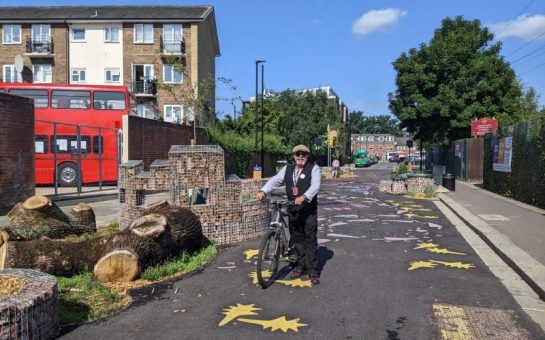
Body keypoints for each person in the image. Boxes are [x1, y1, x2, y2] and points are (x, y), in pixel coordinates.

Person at [257, 144, 321, 284]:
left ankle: (312, 270)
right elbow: (275, 180)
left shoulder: (313, 168)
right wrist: (263, 191)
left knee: (310, 239)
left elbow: (315, 185)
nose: (300, 156)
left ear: (307, 156)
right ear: (293, 156)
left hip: (308, 210)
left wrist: (304, 196)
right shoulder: (287, 169)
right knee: (297, 239)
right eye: (298, 154)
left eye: (303, 154)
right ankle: (300, 266)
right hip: (293, 210)